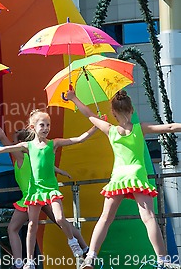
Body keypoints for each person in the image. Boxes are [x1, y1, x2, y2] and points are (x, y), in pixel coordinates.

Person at [0, 109, 97, 268]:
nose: (12, 143)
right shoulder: (28, 150)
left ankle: (22, 261)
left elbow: (2, 140)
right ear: (33, 129)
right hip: (34, 194)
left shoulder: (21, 154)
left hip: (39, 193)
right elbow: (45, 165)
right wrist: (59, 171)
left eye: (14, 140)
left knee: (54, 221)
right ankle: (81, 248)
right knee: (49, 223)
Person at [67, 89, 181, 269]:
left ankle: (90, 257)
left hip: (119, 177)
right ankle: (163, 259)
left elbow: (89, 115)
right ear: (132, 110)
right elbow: (169, 127)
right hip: (137, 176)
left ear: (113, 112)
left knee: (105, 218)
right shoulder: (139, 128)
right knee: (149, 218)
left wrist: (74, 98)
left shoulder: (110, 129)